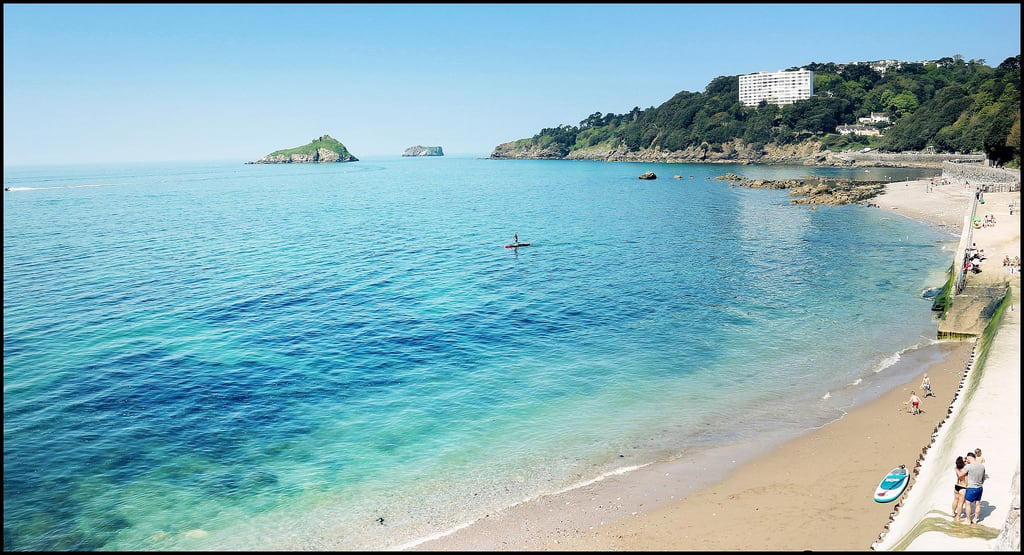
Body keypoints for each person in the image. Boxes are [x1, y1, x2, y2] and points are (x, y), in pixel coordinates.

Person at [963, 452, 986, 524]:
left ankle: (968, 520)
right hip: (979, 487)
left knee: (967, 503)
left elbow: (961, 474)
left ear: (969, 457)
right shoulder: (982, 466)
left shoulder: (969, 466)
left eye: (967, 458)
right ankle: (975, 519)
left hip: (971, 488)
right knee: (978, 503)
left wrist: (963, 464)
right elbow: (983, 478)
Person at [953, 456, 969, 522]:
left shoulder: (956, 468)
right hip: (963, 487)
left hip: (957, 486)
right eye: (964, 460)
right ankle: (958, 517)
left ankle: (953, 513)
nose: (965, 461)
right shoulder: (965, 470)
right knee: (960, 503)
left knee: (955, 500)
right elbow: (967, 480)